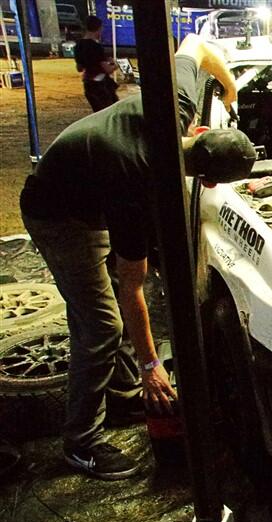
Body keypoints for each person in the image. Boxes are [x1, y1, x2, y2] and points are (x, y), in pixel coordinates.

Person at [19, 34, 257, 480]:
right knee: (102, 324)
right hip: (57, 214)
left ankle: (127, 396)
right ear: (205, 181)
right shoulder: (136, 181)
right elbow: (134, 288)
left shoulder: (179, 104)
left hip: (88, 187)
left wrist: (230, 89)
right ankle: (80, 443)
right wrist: (153, 366)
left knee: (116, 309)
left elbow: (196, 45)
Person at [74, 16, 119, 112]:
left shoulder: (78, 46)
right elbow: (107, 69)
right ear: (99, 28)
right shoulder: (96, 47)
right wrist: (115, 65)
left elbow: (79, 68)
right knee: (110, 112)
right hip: (100, 85)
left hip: (88, 84)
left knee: (98, 112)